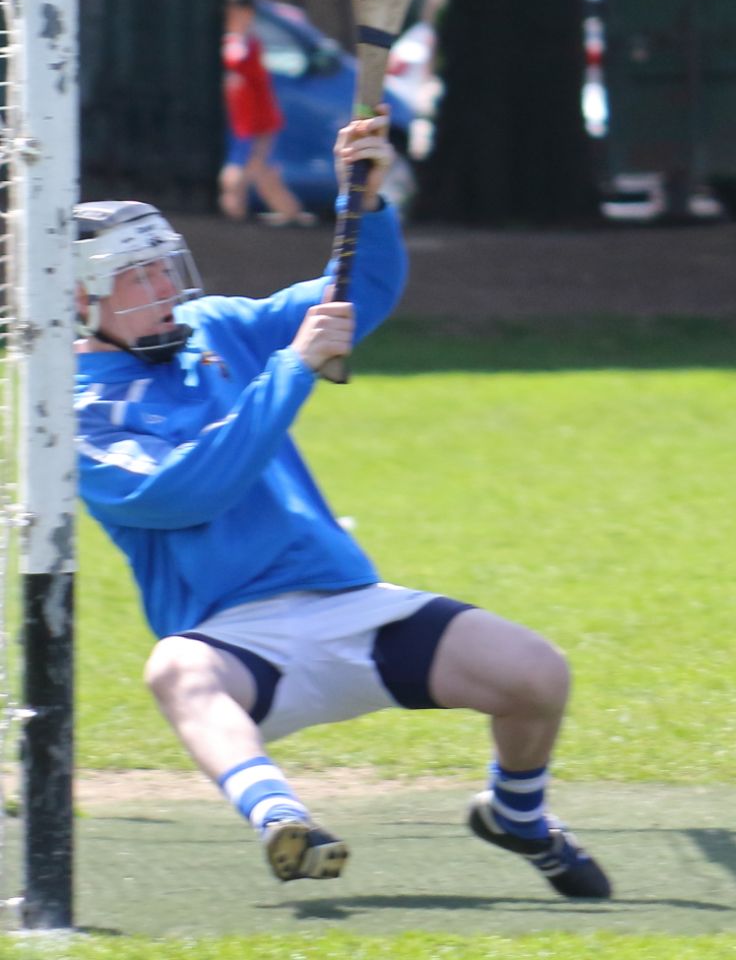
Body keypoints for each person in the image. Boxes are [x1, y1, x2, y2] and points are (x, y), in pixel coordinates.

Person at [72, 112, 611, 900]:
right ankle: (283, 821)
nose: (166, 290)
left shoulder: (212, 328)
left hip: (349, 605)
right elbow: (188, 489)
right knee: (174, 667)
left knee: (537, 674)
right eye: (139, 277)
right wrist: (290, 372)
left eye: (165, 268)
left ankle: (516, 815)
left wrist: (368, 199)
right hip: (236, 640)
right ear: (78, 299)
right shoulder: (74, 415)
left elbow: (357, 294)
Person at [219, 0, 315, 228]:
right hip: (247, 122)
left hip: (257, 122)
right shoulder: (237, 43)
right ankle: (291, 212)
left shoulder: (247, 44)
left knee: (245, 171)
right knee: (264, 172)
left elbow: (240, 67)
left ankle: (235, 215)